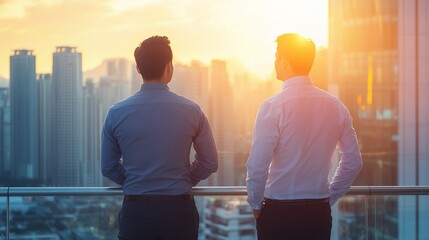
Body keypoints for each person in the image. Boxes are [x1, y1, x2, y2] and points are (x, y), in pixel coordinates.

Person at [246, 33, 363, 240]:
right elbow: (353, 162)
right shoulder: (336, 106)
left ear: (284, 61)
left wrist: (255, 204)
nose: (274, 61)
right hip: (318, 213)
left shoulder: (273, 106)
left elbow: (258, 164)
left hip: (278, 212)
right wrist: (329, 196)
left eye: (276, 56)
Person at [101, 36, 218, 240]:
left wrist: (134, 180)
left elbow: (108, 167)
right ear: (169, 67)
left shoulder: (116, 112)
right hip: (179, 211)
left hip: (137, 212)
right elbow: (209, 162)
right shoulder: (192, 110)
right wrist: (185, 178)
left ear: (138, 68)